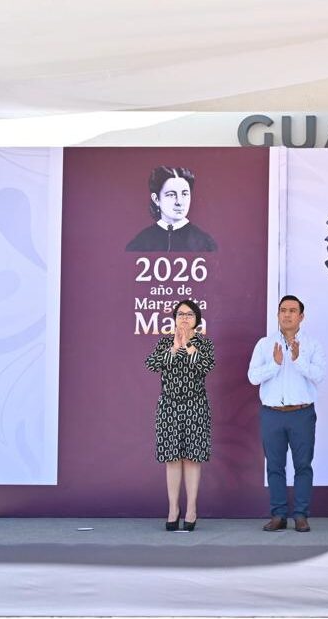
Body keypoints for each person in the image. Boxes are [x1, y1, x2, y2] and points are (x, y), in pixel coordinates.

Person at [247, 295, 325, 533]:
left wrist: (298, 359)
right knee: (275, 466)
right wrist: (275, 364)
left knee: (303, 465)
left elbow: (318, 376)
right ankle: (278, 515)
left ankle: (301, 515)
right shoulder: (264, 344)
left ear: (301, 316)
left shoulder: (312, 345)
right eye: (283, 310)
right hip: (272, 414)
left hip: (302, 414)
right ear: (278, 315)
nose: (287, 314)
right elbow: (253, 377)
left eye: (293, 310)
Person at [144, 300, 215, 531]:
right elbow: (151, 365)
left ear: (197, 319)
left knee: (193, 458)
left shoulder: (204, 344)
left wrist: (189, 347)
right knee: (172, 459)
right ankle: (173, 509)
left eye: (189, 314)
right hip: (169, 407)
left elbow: (205, 367)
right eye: (180, 314)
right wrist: (174, 348)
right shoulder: (165, 343)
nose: (184, 318)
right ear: (174, 319)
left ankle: (192, 509)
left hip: (196, 406)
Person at [125, 166, 218, 252]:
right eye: (171, 195)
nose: (179, 202)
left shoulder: (205, 243)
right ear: (156, 199)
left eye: (184, 194)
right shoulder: (140, 243)